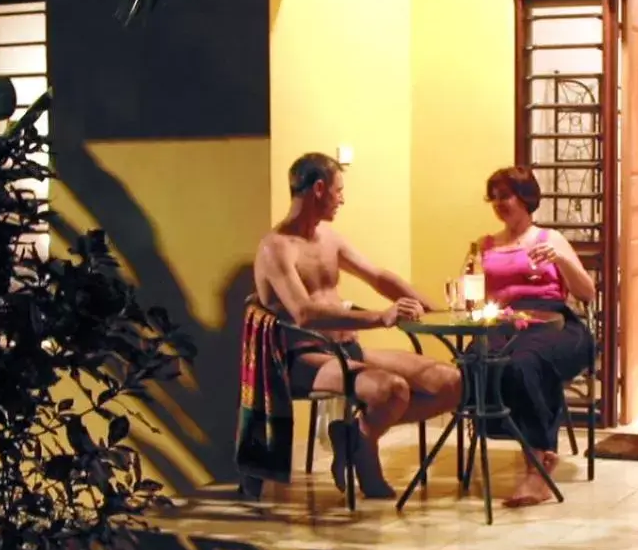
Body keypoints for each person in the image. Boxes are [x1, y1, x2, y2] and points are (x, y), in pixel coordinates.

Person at [254, 152, 462, 498]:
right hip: (304, 359)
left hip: (348, 349)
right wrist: (380, 317)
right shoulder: (275, 248)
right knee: (391, 390)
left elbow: (378, 276)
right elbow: (304, 313)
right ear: (319, 188)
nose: (343, 199)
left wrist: (429, 305)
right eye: (339, 190)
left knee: (450, 382)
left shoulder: (330, 238)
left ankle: (358, 436)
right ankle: (365, 455)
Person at [473, 165, 597, 508]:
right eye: (494, 198)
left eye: (506, 196)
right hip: (504, 322)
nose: (499, 204)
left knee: (525, 362)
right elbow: (472, 295)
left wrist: (561, 261)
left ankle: (538, 462)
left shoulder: (549, 239)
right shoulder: (485, 245)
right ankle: (507, 439)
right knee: (477, 359)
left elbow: (587, 292)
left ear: (526, 198)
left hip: (554, 324)